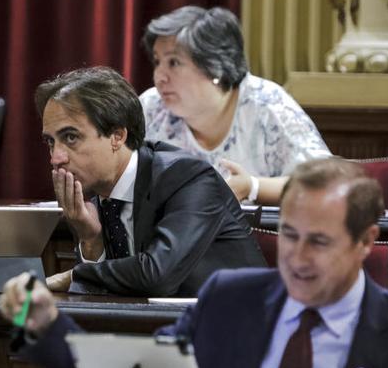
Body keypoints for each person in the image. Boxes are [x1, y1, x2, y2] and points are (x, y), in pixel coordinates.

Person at [0, 157, 388, 368]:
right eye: (290, 235)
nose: (296, 258)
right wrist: (45, 324)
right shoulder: (229, 300)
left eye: (318, 242)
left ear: (366, 241)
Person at [35, 66, 265, 297]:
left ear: (117, 136)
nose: (56, 158)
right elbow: (112, 291)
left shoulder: (188, 178)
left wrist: (74, 274)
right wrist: (91, 238)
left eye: (71, 137)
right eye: (51, 142)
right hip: (153, 327)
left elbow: (156, 276)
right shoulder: (95, 194)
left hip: (237, 324)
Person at [140, 5, 331, 205]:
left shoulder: (268, 106)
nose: (159, 76)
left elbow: (325, 182)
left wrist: (253, 187)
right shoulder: (152, 107)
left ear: (215, 67)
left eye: (174, 63)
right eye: (156, 62)